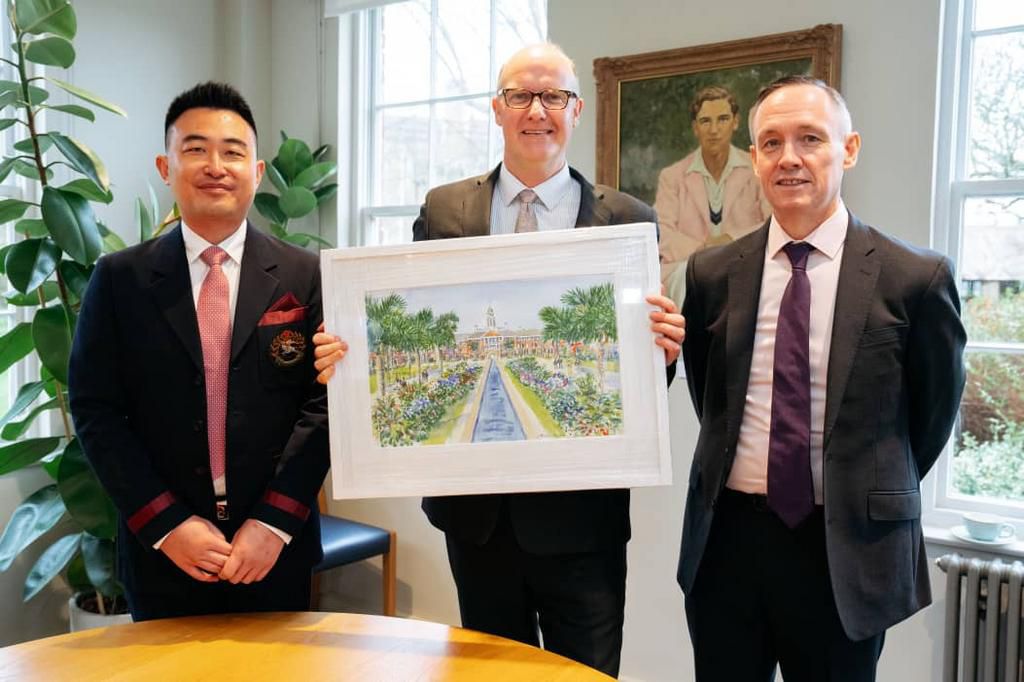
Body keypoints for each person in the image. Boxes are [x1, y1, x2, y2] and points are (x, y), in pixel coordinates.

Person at [313, 43, 684, 677]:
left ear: (575, 109)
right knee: (488, 672)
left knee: (586, 673)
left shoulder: (626, 219)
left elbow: (638, 376)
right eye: (520, 95)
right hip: (476, 518)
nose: (536, 111)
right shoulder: (444, 209)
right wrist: (350, 351)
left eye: (553, 97)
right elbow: (406, 324)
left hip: (583, 518)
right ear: (497, 107)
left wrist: (663, 352)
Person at [678, 75, 966, 681]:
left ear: (849, 149)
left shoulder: (914, 277)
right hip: (728, 544)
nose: (790, 158)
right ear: (753, 157)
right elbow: (713, 401)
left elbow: (932, 417)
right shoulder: (711, 271)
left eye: (810, 138)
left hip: (846, 552)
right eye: (771, 142)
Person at [68, 82, 329, 620]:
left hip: (274, 550)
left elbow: (324, 404)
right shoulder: (119, 280)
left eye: (233, 152)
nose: (216, 165)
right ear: (166, 167)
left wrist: (274, 522)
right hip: (165, 554)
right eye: (195, 149)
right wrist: (166, 524)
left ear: (256, 173)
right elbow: (96, 411)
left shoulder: (306, 275)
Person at [654, 85, 769, 283]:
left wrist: (730, 241)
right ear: (695, 128)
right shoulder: (672, 176)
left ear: (735, 122)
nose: (714, 130)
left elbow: (773, 222)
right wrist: (704, 250)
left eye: (722, 119)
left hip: (746, 266)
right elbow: (661, 232)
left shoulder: (757, 170)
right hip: (688, 270)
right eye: (705, 121)